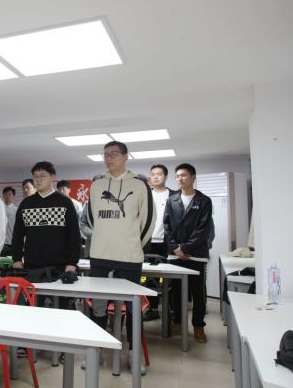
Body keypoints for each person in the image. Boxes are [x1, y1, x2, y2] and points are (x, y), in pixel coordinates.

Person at [86, 141, 155, 374]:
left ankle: (134, 353)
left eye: (114, 154)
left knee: (133, 307)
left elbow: (148, 220)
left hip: (129, 256)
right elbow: (92, 218)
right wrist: (103, 237)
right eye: (105, 154)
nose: (109, 158)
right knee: (98, 306)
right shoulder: (97, 185)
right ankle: (96, 350)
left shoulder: (139, 185)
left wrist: (134, 243)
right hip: (100, 255)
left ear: (126, 156)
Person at [164, 163, 212, 343]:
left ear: (193, 177)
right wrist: (176, 248)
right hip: (175, 254)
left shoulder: (204, 201)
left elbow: (203, 229)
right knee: (176, 291)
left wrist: (185, 248)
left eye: (183, 175)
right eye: (177, 176)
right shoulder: (172, 200)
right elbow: (166, 226)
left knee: (198, 292)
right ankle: (177, 321)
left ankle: (198, 326)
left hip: (196, 254)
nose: (180, 179)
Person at [12, 161, 79, 280]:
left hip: (60, 267)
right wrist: (16, 259)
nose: (38, 180)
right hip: (32, 266)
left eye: (43, 176)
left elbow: (74, 235)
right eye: (35, 176)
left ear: (52, 177)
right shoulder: (26, 204)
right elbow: (17, 235)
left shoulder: (65, 202)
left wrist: (72, 262)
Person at [143, 164, 176, 322]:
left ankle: (172, 309)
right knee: (150, 277)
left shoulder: (174, 195)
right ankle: (153, 308)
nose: (155, 177)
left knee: (170, 277)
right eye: (153, 174)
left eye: (159, 174)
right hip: (148, 242)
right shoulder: (145, 195)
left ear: (166, 176)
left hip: (168, 242)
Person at [1, 186, 17, 257]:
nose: (7, 196)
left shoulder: (17, 210)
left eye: (9, 194)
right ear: (3, 196)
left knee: (12, 262)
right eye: (5, 194)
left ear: (13, 196)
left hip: (12, 243)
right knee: (0, 263)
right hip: (0, 243)